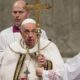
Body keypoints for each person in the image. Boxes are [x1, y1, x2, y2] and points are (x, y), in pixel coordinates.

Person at [0, 18, 65, 80]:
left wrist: (46, 64)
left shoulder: (49, 47)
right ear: (21, 33)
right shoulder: (13, 49)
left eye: (33, 31)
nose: (30, 35)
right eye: (26, 31)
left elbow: (61, 73)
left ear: (37, 32)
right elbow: (5, 74)